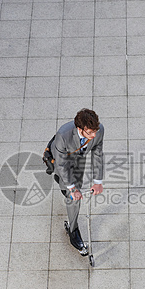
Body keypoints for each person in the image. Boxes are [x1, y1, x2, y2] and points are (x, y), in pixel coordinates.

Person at [51, 108, 104, 255]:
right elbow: (62, 165)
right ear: (79, 129)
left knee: (76, 187)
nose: (94, 136)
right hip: (63, 159)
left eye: (95, 131)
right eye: (90, 133)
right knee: (72, 196)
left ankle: (66, 185)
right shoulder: (63, 135)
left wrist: (98, 181)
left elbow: (98, 154)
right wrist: (72, 188)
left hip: (79, 159)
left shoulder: (98, 131)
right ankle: (73, 230)